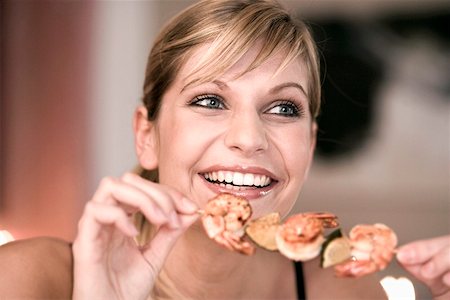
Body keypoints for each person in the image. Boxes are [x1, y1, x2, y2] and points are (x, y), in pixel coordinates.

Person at [0, 0, 448, 299]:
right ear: (146, 135)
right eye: (210, 101)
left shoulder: (348, 290)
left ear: (308, 147)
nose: (250, 138)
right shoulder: (25, 280)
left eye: (283, 108)